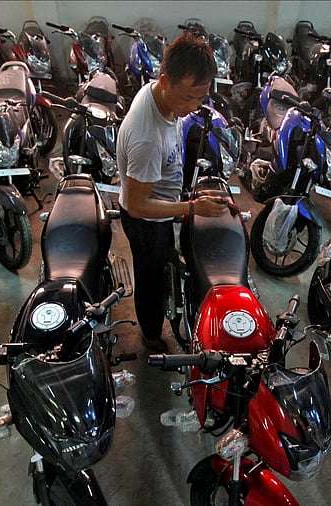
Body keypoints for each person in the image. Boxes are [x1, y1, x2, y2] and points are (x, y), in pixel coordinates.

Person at [117, 30, 230, 352]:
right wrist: (193, 207)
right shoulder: (146, 138)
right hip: (146, 222)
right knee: (150, 279)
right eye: (187, 98)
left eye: (201, 97)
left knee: (166, 263)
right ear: (165, 80)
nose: (193, 106)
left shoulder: (158, 94)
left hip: (163, 199)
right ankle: (151, 336)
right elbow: (138, 206)